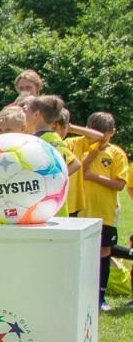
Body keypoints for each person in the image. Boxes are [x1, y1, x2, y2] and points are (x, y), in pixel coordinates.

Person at [70, 111, 127, 309]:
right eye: (95, 135)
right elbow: (74, 169)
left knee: (104, 250)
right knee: (80, 252)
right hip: (79, 208)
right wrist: (91, 155)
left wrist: (93, 176)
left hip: (105, 211)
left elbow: (120, 184)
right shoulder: (77, 145)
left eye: (105, 136)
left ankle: (100, 298)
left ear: (113, 132)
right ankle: (77, 294)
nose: (99, 140)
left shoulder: (116, 153)